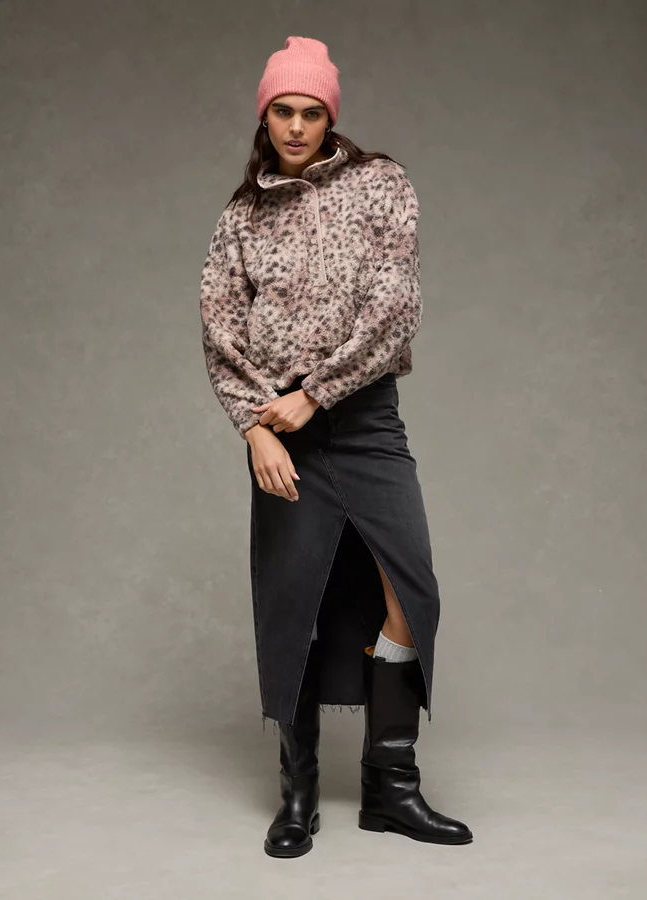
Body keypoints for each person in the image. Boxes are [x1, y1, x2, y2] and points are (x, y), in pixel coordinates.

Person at [199, 36, 473, 857]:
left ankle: (392, 788)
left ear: (330, 117)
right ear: (264, 117)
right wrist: (254, 426)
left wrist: (315, 392)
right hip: (280, 435)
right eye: (282, 110)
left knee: (410, 590)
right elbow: (220, 331)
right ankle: (299, 795)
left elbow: (395, 307)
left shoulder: (380, 185)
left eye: (311, 111)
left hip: (364, 423)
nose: (295, 125)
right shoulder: (241, 218)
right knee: (293, 607)